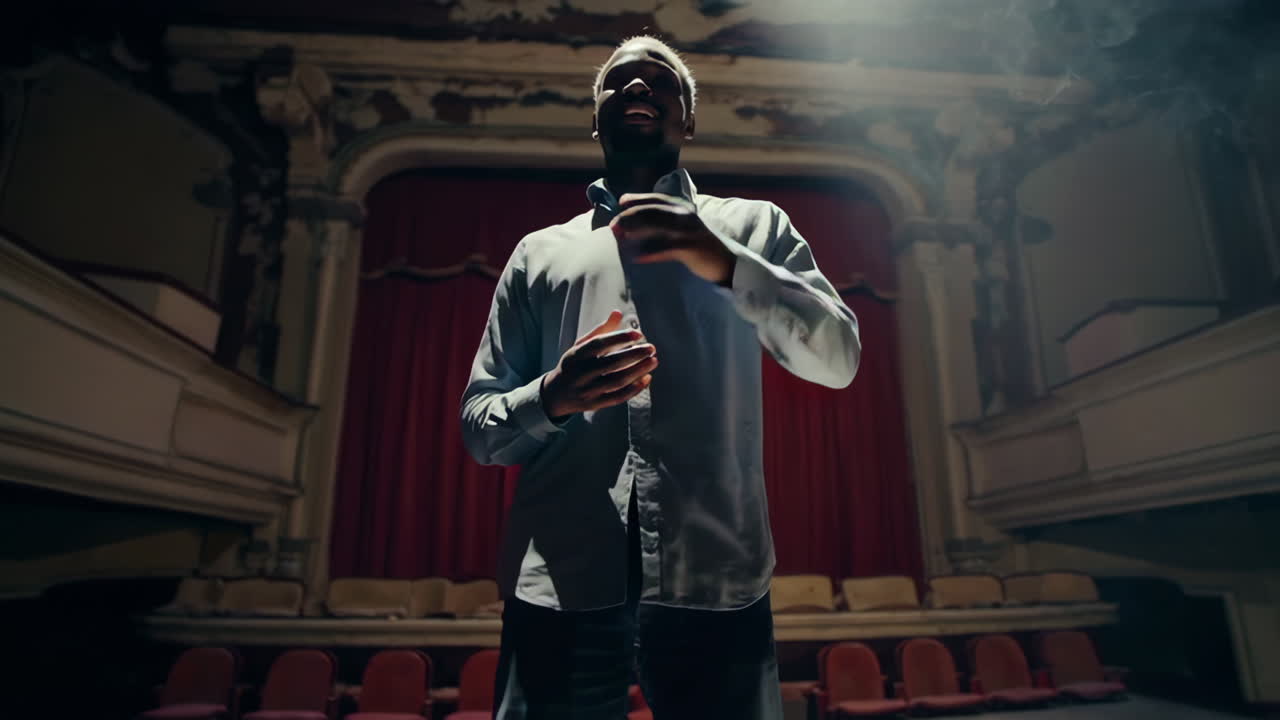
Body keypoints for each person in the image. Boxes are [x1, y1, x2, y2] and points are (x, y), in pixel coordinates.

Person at [460, 35, 861, 720]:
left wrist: (725, 262)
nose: (639, 88)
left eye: (661, 81)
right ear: (595, 120)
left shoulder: (753, 227)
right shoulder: (538, 254)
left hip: (718, 579)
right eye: (619, 82)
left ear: (690, 121)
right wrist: (553, 396)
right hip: (560, 584)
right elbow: (479, 429)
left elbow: (839, 358)